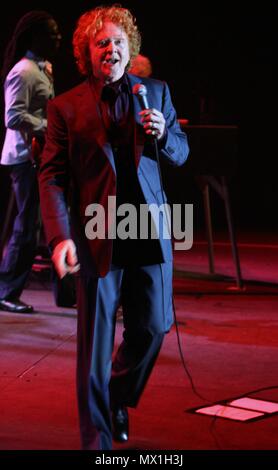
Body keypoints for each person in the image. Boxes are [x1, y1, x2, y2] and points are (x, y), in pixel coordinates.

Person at [39, 4, 189, 450]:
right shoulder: (65, 106)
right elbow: (50, 177)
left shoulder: (155, 92)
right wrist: (60, 234)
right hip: (96, 233)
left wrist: (164, 134)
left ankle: (117, 394)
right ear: (88, 53)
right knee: (95, 345)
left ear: (130, 47)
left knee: (155, 327)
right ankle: (97, 444)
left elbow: (180, 153)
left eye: (119, 41)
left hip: (147, 227)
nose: (112, 48)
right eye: (102, 42)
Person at [0, 11, 61, 313]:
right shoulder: (24, 71)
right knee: (27, 226)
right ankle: (6, 291)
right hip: (25, 159)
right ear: (35, 37)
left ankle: (67, 290)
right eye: (51, 33)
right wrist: (48, 127)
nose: (58, 38)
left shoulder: (41, 69)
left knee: (40, 223)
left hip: (37, 156)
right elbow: (13, 116)